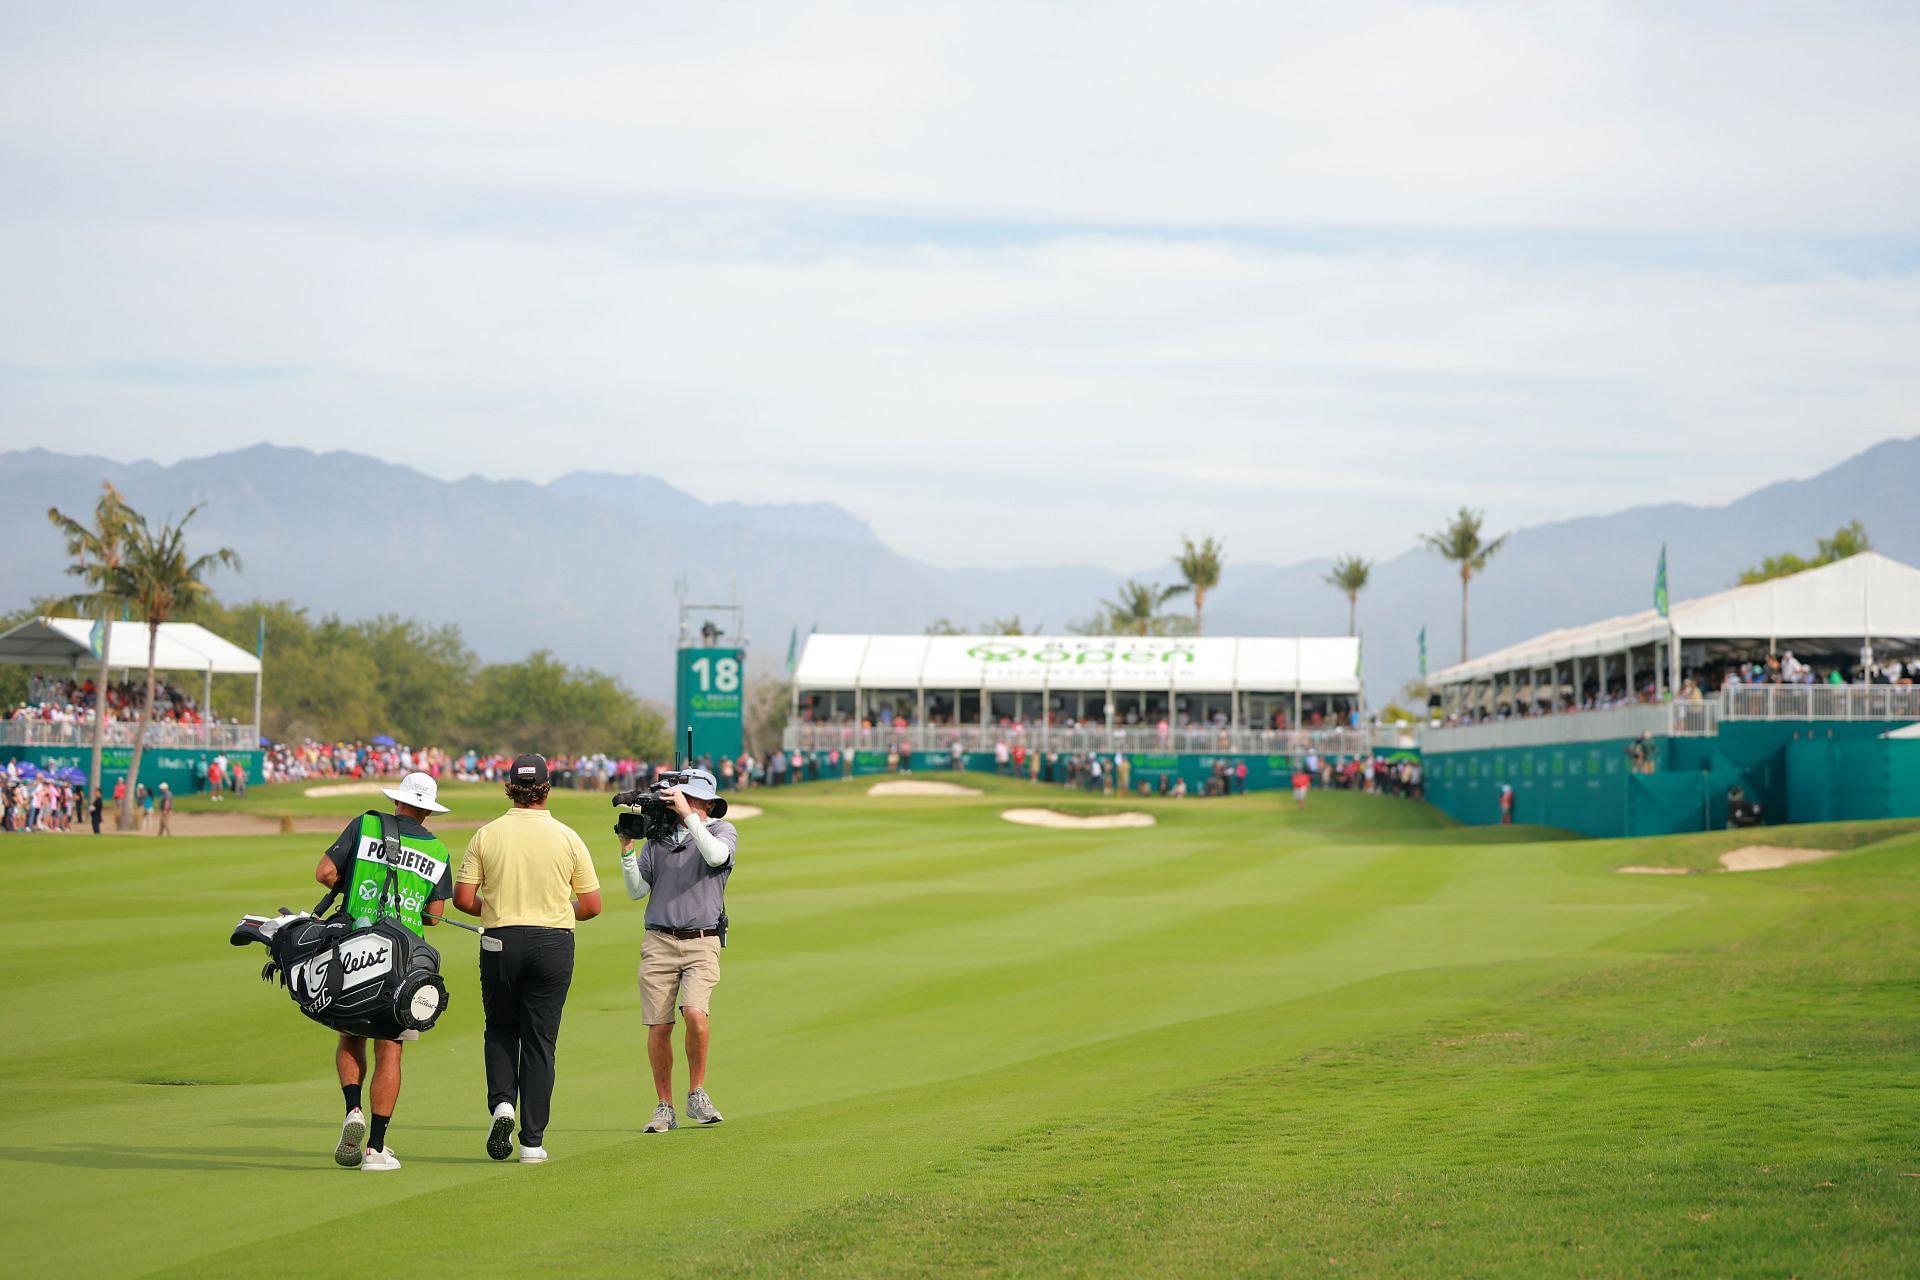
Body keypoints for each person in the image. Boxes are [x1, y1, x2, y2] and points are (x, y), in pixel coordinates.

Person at [455, 753, 601, 1164]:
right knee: (540, 1042)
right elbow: (591, 905)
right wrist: (550, 907)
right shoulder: (568, 836)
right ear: (546, 788)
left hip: (500, 938)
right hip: (552, 942)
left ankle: (503, 1104)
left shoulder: (486, 834)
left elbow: (463, 899)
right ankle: (532, 1143)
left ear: (509, 788)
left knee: (501, 1029)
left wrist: (499, 907)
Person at [315, 772, 454, 1172]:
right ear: (427, 809)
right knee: (390, 1049)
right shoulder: (438, 850)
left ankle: (353, 1110)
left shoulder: (366, 824)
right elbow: (435, 918)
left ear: (398, 801)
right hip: (402, 959)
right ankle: (375, 1147)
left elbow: (324, 873)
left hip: (353, 948)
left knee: (350, 1034)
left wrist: (356, 886)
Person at [619, 768, 737, 1134]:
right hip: (659, 941)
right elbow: (637, 891)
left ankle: (696, 1093)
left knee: (695, 1013)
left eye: (692, 800)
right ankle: (664, 1105)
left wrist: (687, 815)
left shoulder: (722, 832)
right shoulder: (659, 840)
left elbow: (716, 857)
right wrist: (626, 851)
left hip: (702, 940)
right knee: (659, 1025)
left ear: (707, 804)